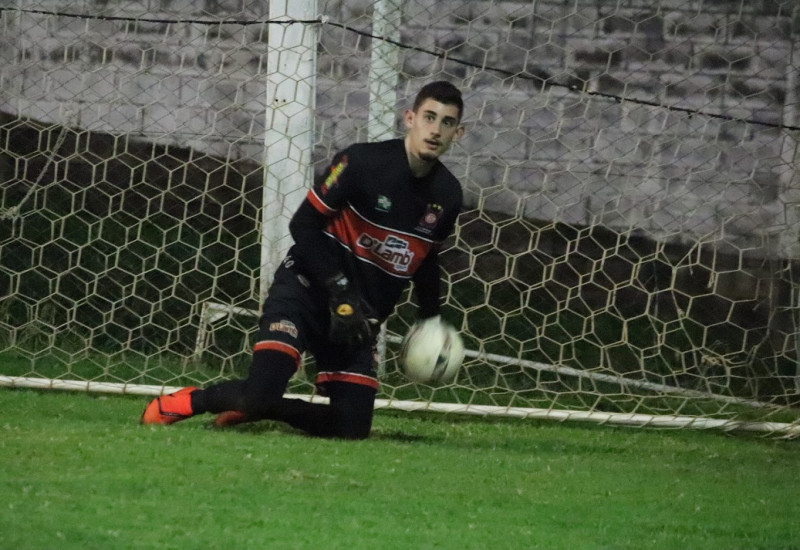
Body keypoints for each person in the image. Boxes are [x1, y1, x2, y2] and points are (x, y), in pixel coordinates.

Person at [141, 81, 466, 439]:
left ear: (458, 133)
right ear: (410, 118)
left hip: (358, 318)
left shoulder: (447, 195)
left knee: (352, 429)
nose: (435, 130)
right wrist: (339, 290)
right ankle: (192, 401)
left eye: (447, 122)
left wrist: (432, 321)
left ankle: (257, 411)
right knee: (260, 391)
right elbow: (303, 225)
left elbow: (426, 259)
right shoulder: (361, 162)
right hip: (304, 292)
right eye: (429, 118)